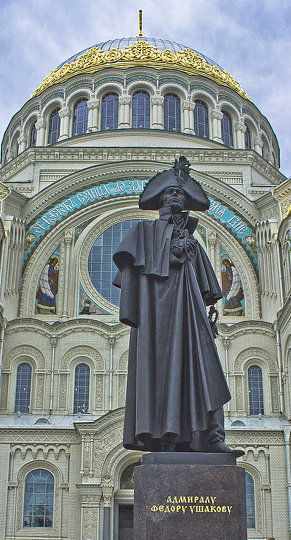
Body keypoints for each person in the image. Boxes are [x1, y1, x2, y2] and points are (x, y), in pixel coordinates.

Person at [113, 156, 242, 455]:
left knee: (205, 370)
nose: (174, 198)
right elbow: (133, 273)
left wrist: (208, 312)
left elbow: (206, 285)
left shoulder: (193, 241)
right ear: (159, 201)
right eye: (169, 194)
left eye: (179, 195)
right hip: (156, 318)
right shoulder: (142, 234)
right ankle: (167, 440)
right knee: (160, 375)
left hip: (190, 316)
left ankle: (213, 438)